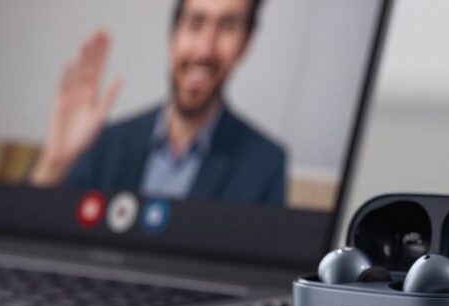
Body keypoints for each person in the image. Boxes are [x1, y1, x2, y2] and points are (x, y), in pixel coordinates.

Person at [29, 0, 287, 207]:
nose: (204, 49)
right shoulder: (104, 143)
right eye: (196, 23)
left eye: (227, 27)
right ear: (173, 36)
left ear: (244, 45)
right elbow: (34, 237)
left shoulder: (264, 165)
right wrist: (55, 162)